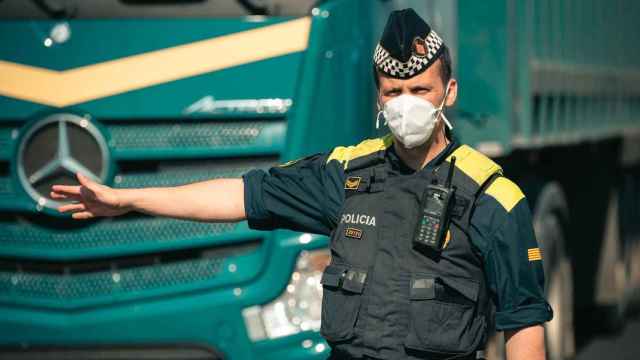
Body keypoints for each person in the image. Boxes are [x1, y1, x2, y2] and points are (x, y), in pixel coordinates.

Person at [51, 8, 552, 360]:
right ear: (378, 97)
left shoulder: (491, 198)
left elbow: (523, 324)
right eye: (393, 91)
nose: (406, 103)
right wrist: (128, 199)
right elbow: (239, 194)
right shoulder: (347, 175)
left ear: (449, 92)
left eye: (420, 90)